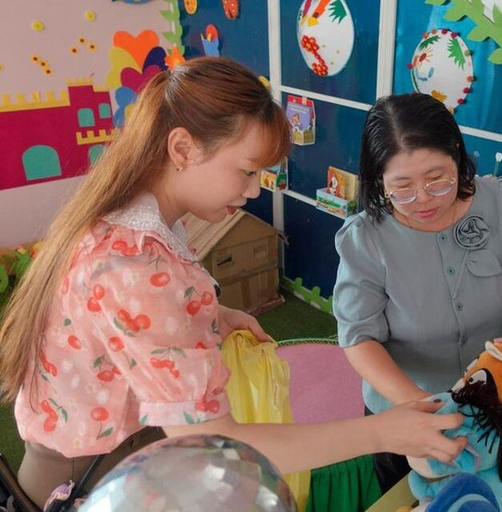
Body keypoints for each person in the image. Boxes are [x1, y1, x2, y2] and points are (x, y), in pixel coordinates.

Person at [0, 58, 464, 508]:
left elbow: (118, 323)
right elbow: (218, 443)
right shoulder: (135, 263)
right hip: (92, 472)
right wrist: (382, 432)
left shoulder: (138, 223)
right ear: (183, 149)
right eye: (246, 171)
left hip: (102, 445)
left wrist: (214, 315)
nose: (254, 190)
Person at [333, 92, 502, 491]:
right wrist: (422, 407)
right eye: (402, 188)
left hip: (498, 405)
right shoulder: (366, 239)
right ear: (378, 180)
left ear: (457, 153)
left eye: (437, 180)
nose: (422, 200)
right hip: (407, 410)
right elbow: (358, 338)